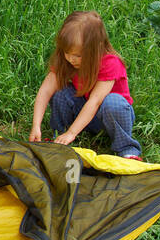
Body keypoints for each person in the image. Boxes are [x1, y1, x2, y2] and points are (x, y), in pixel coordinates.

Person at [29, 10, 143, 160]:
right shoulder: (67, 60)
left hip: (109, 117)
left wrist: (72, 133)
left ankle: (127, 150)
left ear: (97, 48)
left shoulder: (110, 63)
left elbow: (95, 102)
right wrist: (36, 125)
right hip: (84, 114)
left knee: (113, 103)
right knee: (60, 93)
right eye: (66, 52)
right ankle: (59, 138)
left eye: (78, 55)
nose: (71, 59)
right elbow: (45, 90)